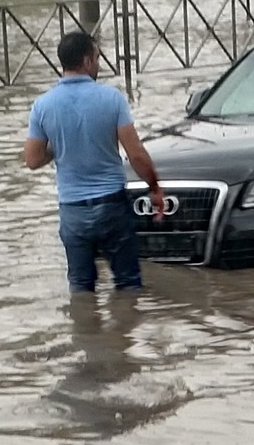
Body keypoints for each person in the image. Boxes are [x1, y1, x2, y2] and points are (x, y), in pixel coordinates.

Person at [23, 31, 164, 293]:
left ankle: (85, 332)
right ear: (87, 61)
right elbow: (137, 155)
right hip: (111, 205)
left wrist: (59, 144)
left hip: (72, 210)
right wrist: (155, 188)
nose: (99, 63)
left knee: (80, 287)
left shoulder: (42, 106)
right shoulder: (112, 99)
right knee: (128, 284)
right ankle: (126, 332)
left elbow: (32, 160)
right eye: (97, 58)